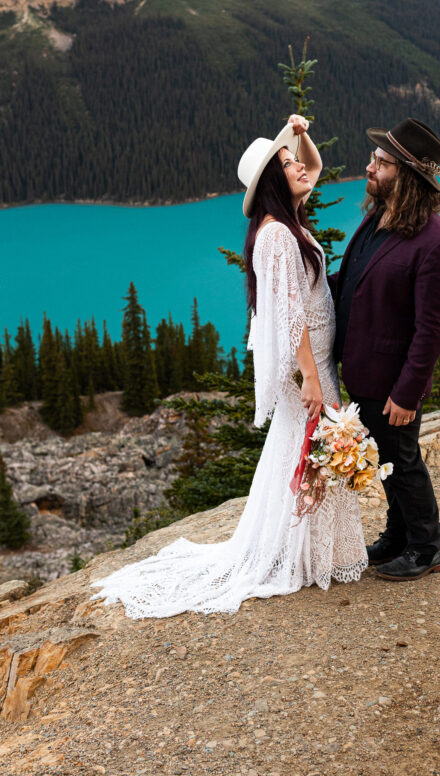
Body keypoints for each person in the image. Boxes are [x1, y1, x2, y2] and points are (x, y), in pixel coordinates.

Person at [91, 115, 367, 618]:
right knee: (308, 446)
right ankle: (302, 554)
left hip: (319, 359)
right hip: (309, 363)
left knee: (302, 446)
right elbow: (290, 315)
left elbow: (314, 168)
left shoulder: (283, 222)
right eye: (286, 165)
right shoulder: (278, 237)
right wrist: (309, 374)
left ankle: (303, 549)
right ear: (272, 183)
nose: (300, 168)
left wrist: (298, 136)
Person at [329, 118, 440, 582]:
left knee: (402, 459)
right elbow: (353, 281)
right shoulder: (377, 218)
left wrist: (408, 392)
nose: (369, 167)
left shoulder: (437, 243)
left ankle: (427, 548)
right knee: (387, 457)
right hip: (365, 371)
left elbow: (431, 329)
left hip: (393, 381)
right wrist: (304, 291)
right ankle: (399, 535)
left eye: (380, 163)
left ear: (405, 175)